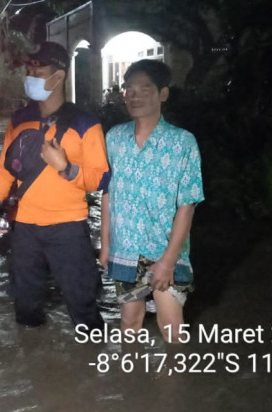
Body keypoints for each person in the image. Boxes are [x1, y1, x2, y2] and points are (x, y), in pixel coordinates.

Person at [0, 41, 110, 330]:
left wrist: (66, 167)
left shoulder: (85, 123)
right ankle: (34, 366)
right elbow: (7, 170)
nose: (31, 78)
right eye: (29, 71)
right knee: (25, 305)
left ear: (59, 76)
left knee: (83, 305)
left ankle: (94, 367)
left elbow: (101, 178)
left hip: (68, 228)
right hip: (24, 228)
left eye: (39, 72)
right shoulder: (19, 120)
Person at [99, 60, 204, 344]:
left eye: (145, 88)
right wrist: (106, 245)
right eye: (129, 89)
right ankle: (133, 385)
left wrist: (168, 261)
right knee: (129, 324)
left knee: (172, 327)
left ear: (163, 94)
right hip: (125, 250)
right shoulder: (114, 139)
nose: (135, 95)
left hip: (166, 251)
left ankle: (174, 387)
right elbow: (108, 193)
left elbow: (187, 204)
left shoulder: (182, 143)